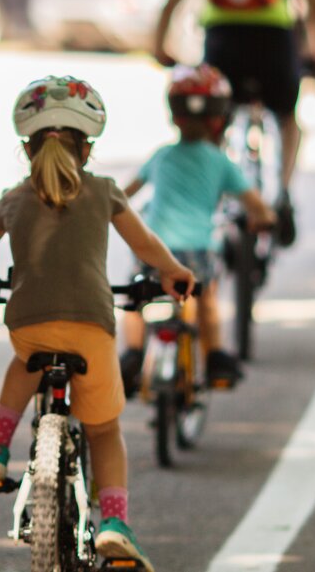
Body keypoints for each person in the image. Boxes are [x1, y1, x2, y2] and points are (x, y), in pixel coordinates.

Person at [0, 76, 195, 571]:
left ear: (26, 147)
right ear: (89, 148)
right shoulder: (104, 192)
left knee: (24, 363)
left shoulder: (15, 198)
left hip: (29, 324)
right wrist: (174, 273)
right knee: (103, 430)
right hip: (92, 328)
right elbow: (144, 246)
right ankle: (116, 523)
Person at [150, 0, 315, 246]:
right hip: (274, 40)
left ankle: (211, 195)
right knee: (287, 118)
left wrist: (159, 43)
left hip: (222, 38)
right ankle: (282, 194)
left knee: (214, 124)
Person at [118, 64, 275, 391]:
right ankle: (215, 355)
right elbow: (256, 206)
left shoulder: (161, 156)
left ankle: (132, 354)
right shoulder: (220, 162)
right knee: (205, 296)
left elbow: (122, 196)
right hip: (198, 249)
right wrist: (265, 218)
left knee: (136, 297)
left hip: (153, 246)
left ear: (174, 115)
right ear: (220, 118)